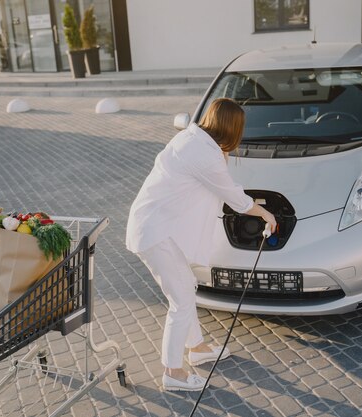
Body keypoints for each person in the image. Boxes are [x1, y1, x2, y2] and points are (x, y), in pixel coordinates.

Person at [126, 98, 277, 391]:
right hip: (155, 232)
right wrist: (266, 214)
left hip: (156, 226)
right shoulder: (204, 154)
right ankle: (173, 371)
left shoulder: (194, 139)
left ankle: (197, 348)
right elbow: (236, 199)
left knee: (185, 288)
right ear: (232, 129)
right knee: (181, 300)